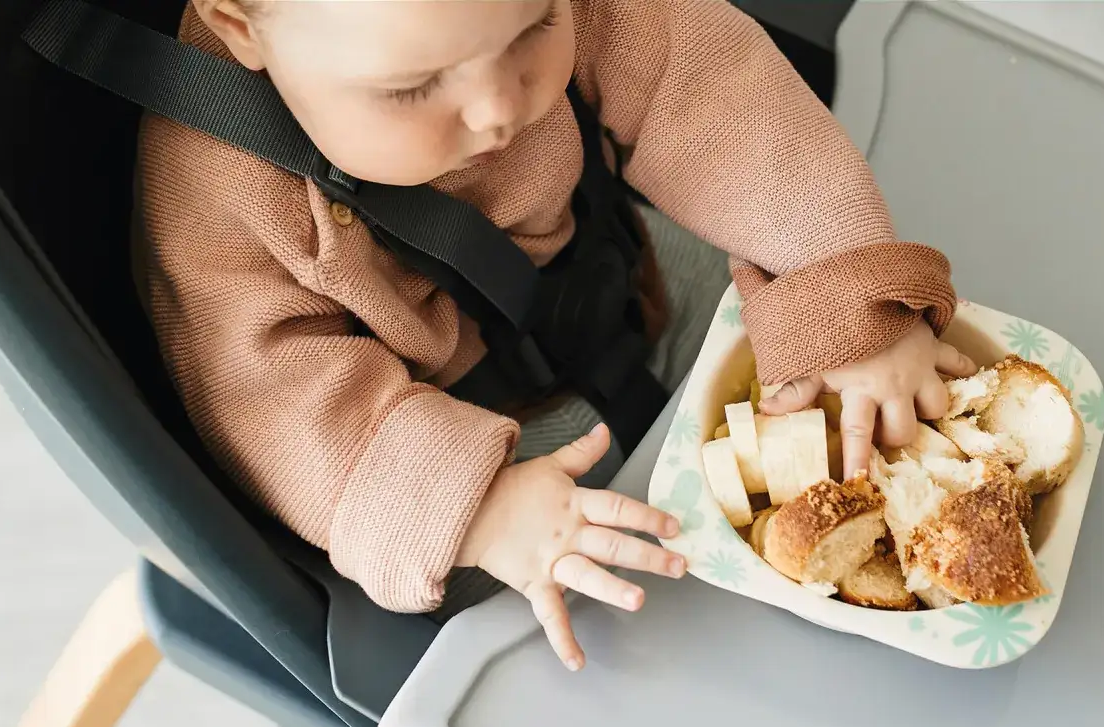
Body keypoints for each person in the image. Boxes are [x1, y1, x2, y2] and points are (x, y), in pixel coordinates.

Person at [136, 0, 974, 672]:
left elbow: (709, 89)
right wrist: (476, 510)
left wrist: (846, 286)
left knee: (843, 406)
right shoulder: (217, 192)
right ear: (244, 25)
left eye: (536, 27)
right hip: (474, 450)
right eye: (411, 86)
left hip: (615, 282)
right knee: (666, 643)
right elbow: (271, 397)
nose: (501, 106)